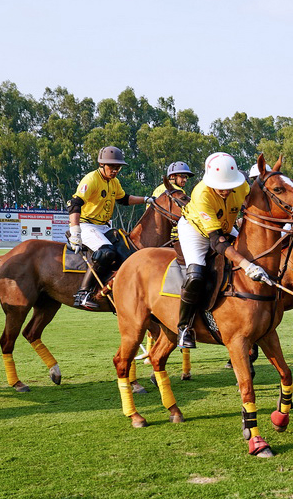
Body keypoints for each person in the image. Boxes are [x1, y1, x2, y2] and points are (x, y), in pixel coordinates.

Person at [174, 152, 274, 349]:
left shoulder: (242, 186)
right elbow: (217, 242)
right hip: (196, 231)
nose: (226, 191)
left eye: (229, 187)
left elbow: (252, 206)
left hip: (226, 227)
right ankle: (184, 327)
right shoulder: (201, 194)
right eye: (221, 187)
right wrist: (245, 264)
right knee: (196, 274)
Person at [68, 146, 154, 309]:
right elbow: (75, 204)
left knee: (128, 250)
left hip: (104, 226)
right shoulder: (91, 179)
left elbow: (124, 199)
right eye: (112, 167)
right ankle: (83, 294)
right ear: (101, 165)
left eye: (118, 167)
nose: (115, 170)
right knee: (106, 252)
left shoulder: (114, 182)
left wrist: (146, 199)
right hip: (87, 224)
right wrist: (75, 231)